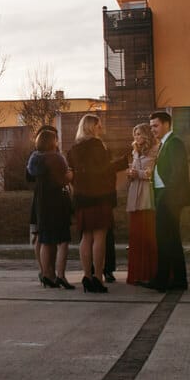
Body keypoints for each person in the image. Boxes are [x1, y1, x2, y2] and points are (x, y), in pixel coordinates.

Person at [66, 114, 125, 294]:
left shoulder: (73, 149)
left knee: (86, 237)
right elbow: (103, 170)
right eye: (99, 125)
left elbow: (72, 174)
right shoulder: (98, 146)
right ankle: (98, 277)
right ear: (93, 127)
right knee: (100, 236)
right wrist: (121, 163)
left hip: (81, 197)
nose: (101, 128)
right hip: (99, 196)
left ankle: (87, 276)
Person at [143, 111, 190, 291]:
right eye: (151, 127)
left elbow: (177, 173)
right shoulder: (165, 144)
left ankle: (163, 280)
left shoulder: (174, 143)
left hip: (169, 198)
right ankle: (177, 280)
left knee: (165, 240)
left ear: (166, 124)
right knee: (170, 240)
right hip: (164, 196)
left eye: (155, 126)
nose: (152, 130)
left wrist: (166, 197)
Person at [27, 127, 74, 289]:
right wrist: (69, 177)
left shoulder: (35, 160)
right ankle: (60, 275)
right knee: (63, 241)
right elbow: (61, 180)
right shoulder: (57, 159)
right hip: (57, 203)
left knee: (45, 241)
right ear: (52, 142)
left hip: (41, 203)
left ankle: (46, 274)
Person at [126, 123, 160, 287]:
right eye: (135, 134)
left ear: (146, 135)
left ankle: (150, 273)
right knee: (136, 236)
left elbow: (152, 173)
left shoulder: (155, 150)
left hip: (147, 194)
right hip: (134, 195)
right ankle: (138, 274)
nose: (137, 137)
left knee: (148, 236)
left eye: (139, 134)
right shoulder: (134, 151)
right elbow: (134, 169)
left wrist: (137, 173)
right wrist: (130, 174)